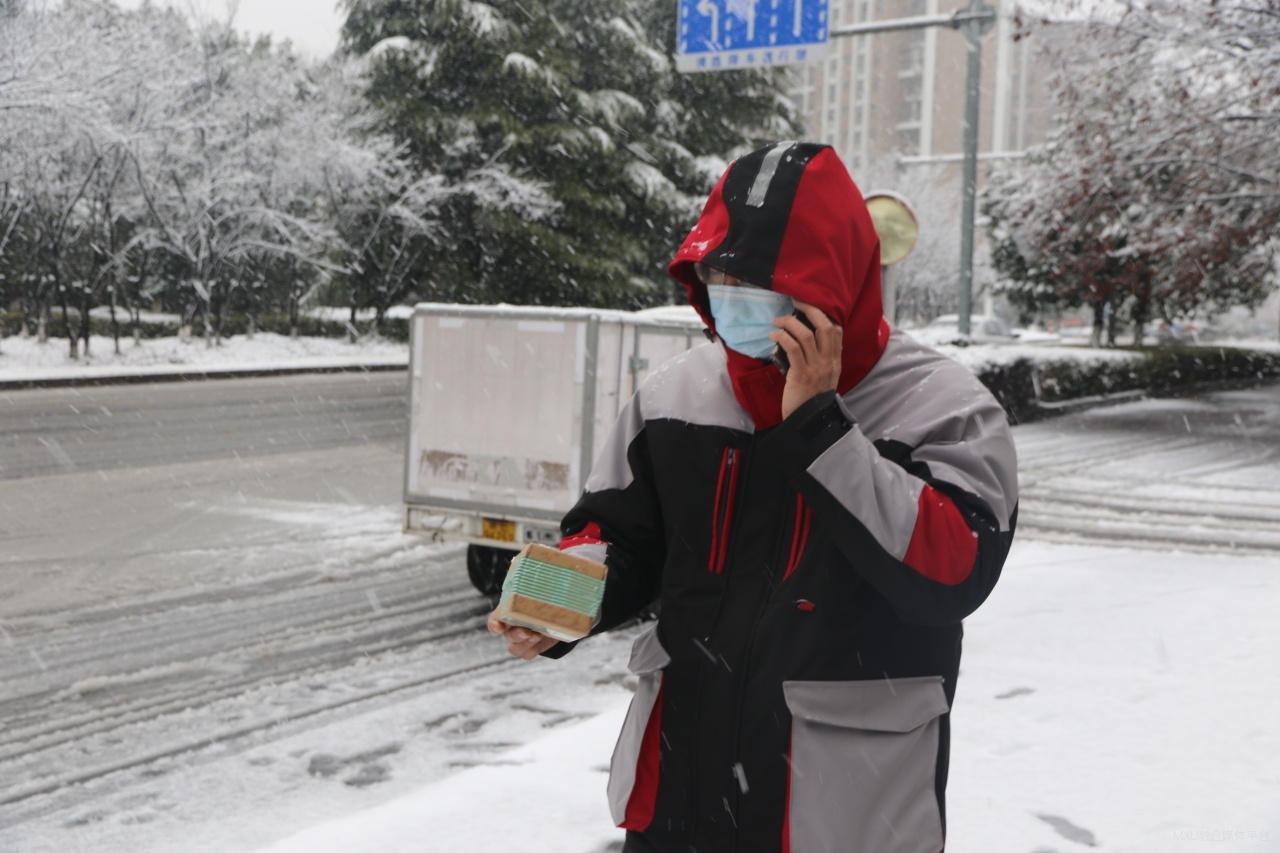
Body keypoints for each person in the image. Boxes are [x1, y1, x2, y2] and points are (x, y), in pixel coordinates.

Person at [488, 141, 1019, 853]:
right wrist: (556, 599)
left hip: (842, 810)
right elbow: (623, 536)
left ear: (833, 283)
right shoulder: (678, 393)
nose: (729, 294)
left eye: (758, 279)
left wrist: (820, 430)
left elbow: (951, 571)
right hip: (679, 798)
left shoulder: (941, 406)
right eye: (717, 273)